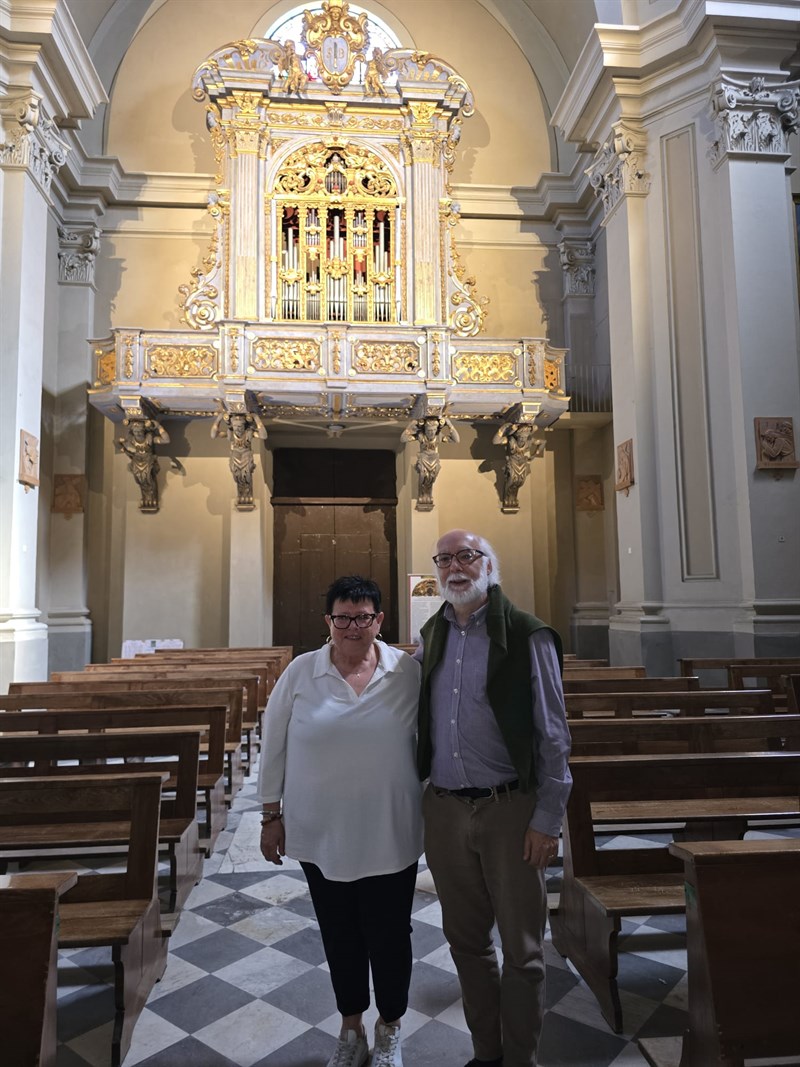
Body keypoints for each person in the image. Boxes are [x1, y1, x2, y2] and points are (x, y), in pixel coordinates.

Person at [414, 530, 572, 1067]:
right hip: (446, 809)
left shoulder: (528, 634)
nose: (455, 567)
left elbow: (553, 735)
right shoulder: (430, 634)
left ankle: (520, 1059)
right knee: (467, 945)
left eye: (466, 556)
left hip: (511, 812)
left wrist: (547, 819)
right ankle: (486, 1055)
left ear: (489, 565)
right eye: (444, 559)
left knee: (523, 952)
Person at [257, 576, 422, 1067]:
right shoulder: (302, 672)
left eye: (364, 617)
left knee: (391, 934)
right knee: (340, 932)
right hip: (320, 830)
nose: (354, 627)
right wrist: (271, 814)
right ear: (328, 621)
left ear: (379, 620)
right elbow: (274, 743)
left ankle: (390, 1026)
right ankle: (351, 1027)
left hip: (390, 829)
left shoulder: (406, 672)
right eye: (343, 617)